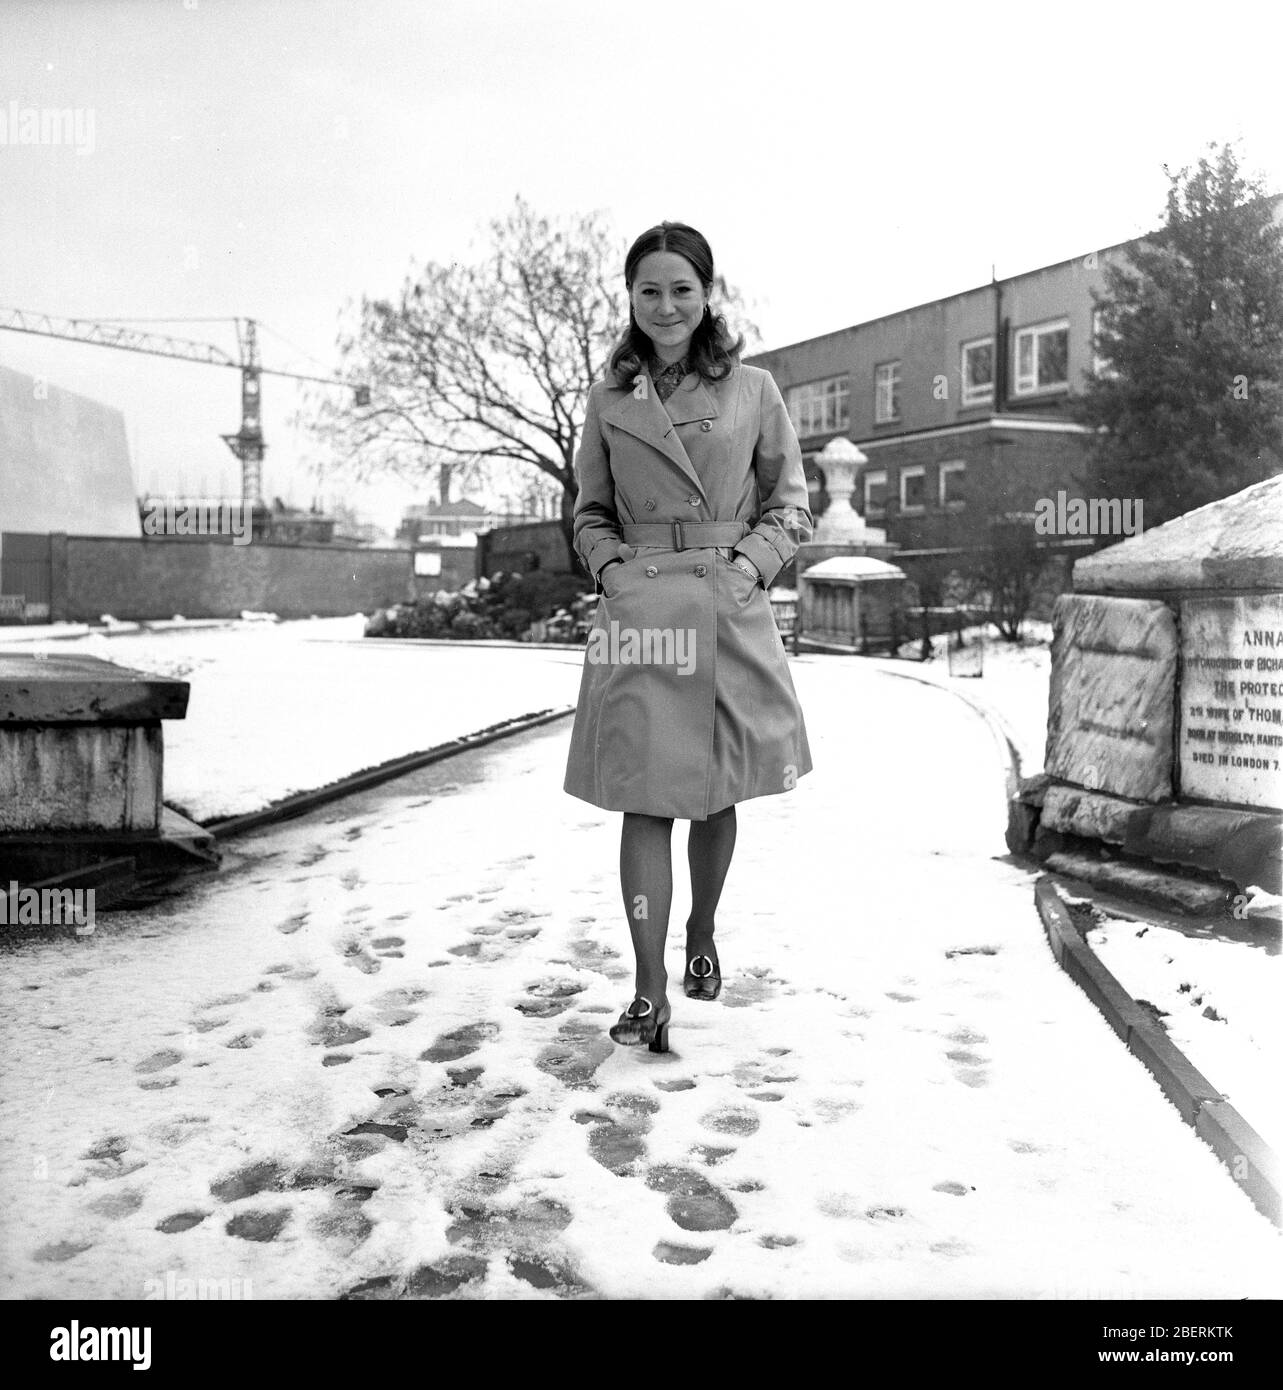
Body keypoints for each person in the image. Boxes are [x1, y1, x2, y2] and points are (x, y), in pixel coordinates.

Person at [563, 221, 813, 1053]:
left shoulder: (753, 390)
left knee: (714, 793)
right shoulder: (606, 400)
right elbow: (589, 511)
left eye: (681, 288)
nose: (665, 305)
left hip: (723, 608)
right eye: (648, 289)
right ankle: (647, 986)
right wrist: (609, 569)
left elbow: (792, 504)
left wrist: (749, 567)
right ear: (629, 299)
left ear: (706, 295)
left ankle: (701, 930)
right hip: (640, 616)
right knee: (643, 800)